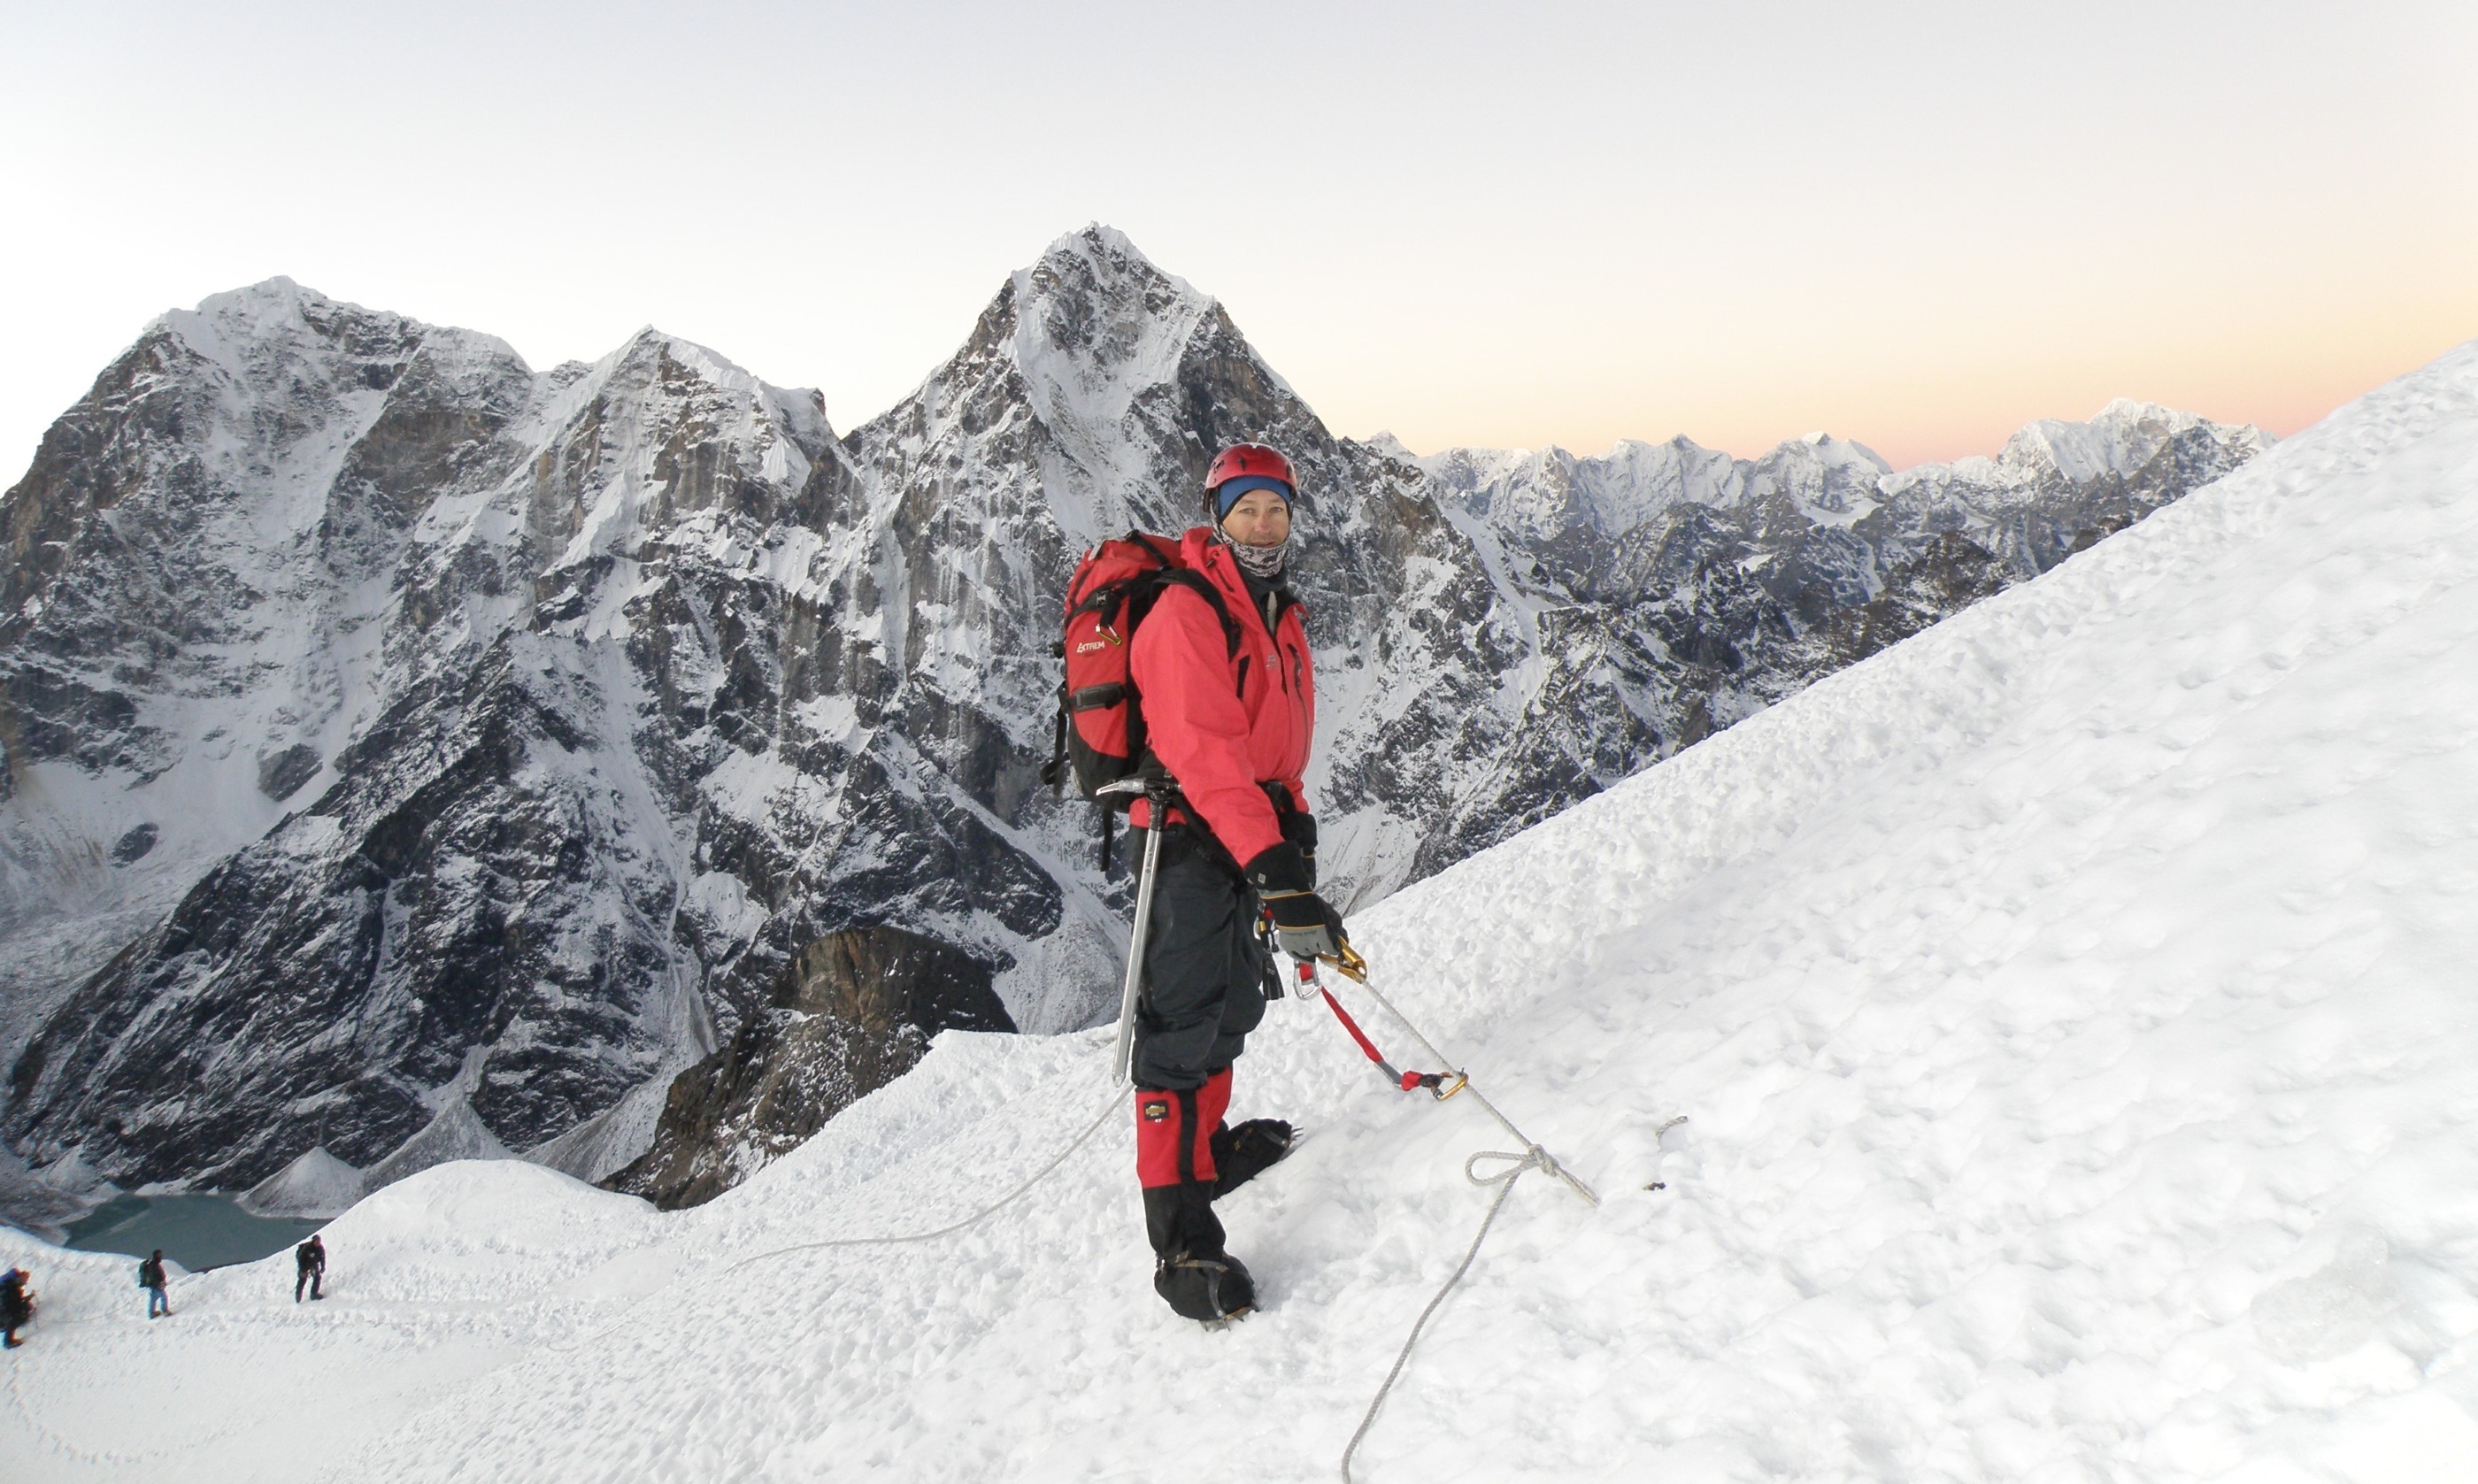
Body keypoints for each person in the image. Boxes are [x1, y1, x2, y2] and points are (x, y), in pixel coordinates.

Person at [1122, 441, 1350, 1322]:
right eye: (1247, 509)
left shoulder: (1275, 611)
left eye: (1277, 510)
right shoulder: (1187, 609)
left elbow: (1272, 750)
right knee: (1175, 1036)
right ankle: (1180, 1240)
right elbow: (1205, 755)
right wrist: (1271, 867)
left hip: (1246, 829)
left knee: (1230, 1010)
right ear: (1217, 516)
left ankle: (1204, 1154)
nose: (1262, 525)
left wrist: (1289, 830)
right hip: (1187, 840)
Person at [1, 1265, 30, 1348]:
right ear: (18, 1278)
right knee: (14, 1316)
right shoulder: (8, 1289)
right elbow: (9, 1306)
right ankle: (8, 1342)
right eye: (24, 1280)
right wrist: (23, 1304)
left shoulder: (11, 1287)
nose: (24, 1283)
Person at [294, 1234, 326, 1302]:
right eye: (317, 1241)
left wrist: (323, 1266)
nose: (318, 1243)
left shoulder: (320, 1248)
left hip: (313, 1264)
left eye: (319, 1241)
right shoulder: (307, 1248)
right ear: (313, 1241)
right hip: (304, 1264)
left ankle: (314, 1294)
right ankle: (298, 1294)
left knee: (317, 1277)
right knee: (303, 1279)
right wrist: (303, 1270)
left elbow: (322, 1257)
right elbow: (300, 1259)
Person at [140, 1249, 170, 1319]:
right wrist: (159, 1284)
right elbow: (154, 1276)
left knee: (153, 1299)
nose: (161, 1256)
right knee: (164, 1297)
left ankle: (151, 1313)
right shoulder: (154, 1266)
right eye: (159, 1255)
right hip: (156, 1286)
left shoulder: (152, 1264)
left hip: (152, 1286)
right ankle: (164, 1310)